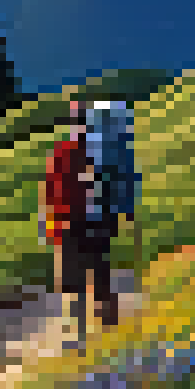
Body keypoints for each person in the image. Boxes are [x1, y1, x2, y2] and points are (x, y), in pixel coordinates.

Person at [40, 100, 136, 350]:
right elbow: (52, 191)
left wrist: (49, 226)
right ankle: (95, 333)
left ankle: (89, 335)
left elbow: (50, 192)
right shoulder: (88, 152)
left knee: (85, 281)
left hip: (81, 223)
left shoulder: (71, 153)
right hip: (84, 223)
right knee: (92, 279)